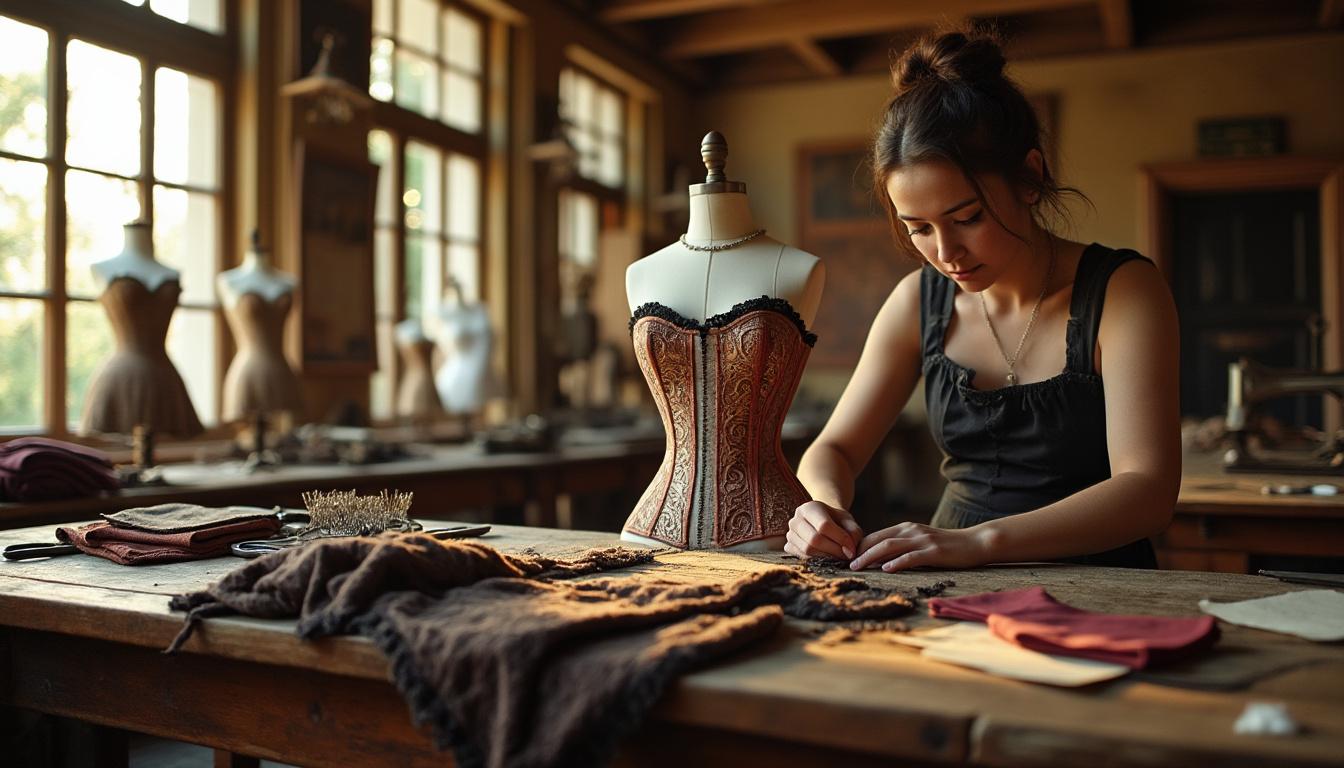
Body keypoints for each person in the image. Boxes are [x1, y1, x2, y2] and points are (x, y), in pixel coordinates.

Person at [784, 29, 1180, 572]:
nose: (945, 253)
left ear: (1030, 177)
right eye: (918, 228)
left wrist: (978, 543)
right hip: (951, 580)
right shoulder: (917, 303)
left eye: (967, 217)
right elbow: (834, 451)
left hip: (1100, 580)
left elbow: (1148, 490)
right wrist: (821, 507)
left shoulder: (1123, 291)